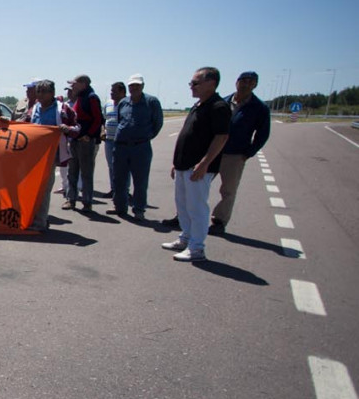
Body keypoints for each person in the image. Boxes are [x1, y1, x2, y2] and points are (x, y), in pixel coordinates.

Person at [162, 67, 230, 262]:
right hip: (184, 165)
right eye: (191, 83)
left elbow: (221, 136)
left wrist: (204, 163)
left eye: (195, 83)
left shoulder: (218, 106)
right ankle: (186, 237)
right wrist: (177, 163)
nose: (191, 87)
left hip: (198, 168)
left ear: (211, 83)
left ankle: (197, 247)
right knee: (182, 205)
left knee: (196, 207)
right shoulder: (199, 105)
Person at [210, 71, 271, 234]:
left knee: (228, 190)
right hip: (212, 152)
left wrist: (248, 153)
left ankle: (219, 221)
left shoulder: (259, 108)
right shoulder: (223, 101)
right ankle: (186, 216)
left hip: (235, 155)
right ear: (236, 82)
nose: (246, 84)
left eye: (251, 82)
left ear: (255, 85)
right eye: (243, 81)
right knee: (197, 184)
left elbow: (263, 134)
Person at [107, 74, 163, 221]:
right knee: (119, 178)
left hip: (140, 147)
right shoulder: (123, 102)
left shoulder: (151, 102)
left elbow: (157, 123)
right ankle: (120, 206)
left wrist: (145, 137)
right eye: (132, 85)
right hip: (121, 147)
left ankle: (138, 209)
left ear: (142, 86)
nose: (134, 88)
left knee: (140, 180)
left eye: (137, 85)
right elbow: (120, 120)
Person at [27, 80, 78, 232]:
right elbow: (24, 124)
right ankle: (36, 218)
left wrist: (67, 129)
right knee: (33, 189)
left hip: (51, 156)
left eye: (44, 91)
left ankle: (40, 223)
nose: (40, 95)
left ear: (52, 93)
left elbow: (77, 128)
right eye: (38, 91)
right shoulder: (34, 108)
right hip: (33, 156)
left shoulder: (62, 109)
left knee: (43, 189)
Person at [62, 74, 104, 212]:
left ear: (83, 84)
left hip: (85, 141)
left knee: (86, 173)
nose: (72, 86)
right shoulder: (80, 97)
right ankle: (71, 199)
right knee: (72, 171)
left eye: (75, 83)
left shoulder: (91, 97)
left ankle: (87, 202)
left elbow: (98, 119)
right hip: (75, 139)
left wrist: (89, 135)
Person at [99, 81, 126, 197]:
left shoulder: (127, 104)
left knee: (123, 167)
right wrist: (103, 131)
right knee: (111, 166)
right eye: (111, 91)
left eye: (114, 91)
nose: (111, 93)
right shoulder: (108, 104)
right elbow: (105, 119)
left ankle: (124, 191)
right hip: (109, 140)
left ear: (122, 92)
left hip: (122, 141)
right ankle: (113, 189)